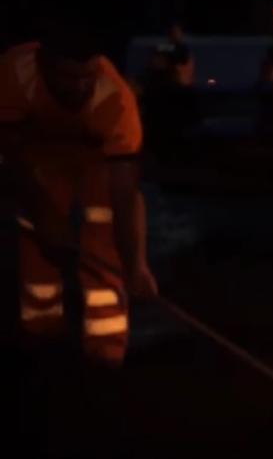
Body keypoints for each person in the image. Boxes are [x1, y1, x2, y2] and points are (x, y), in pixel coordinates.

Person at [1, 27, 157, 367]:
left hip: (95, 163)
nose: (80, 86)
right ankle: (40, 331)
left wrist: (137, 266)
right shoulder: (14, 73)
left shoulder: (116, 100)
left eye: (87, 75)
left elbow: (125, 193)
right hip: (37, 157)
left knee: (104, 234)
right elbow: (9, 154)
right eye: (69, 77)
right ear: (45, 64)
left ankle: (107, 348)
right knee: (36, 241)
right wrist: (43, 213)